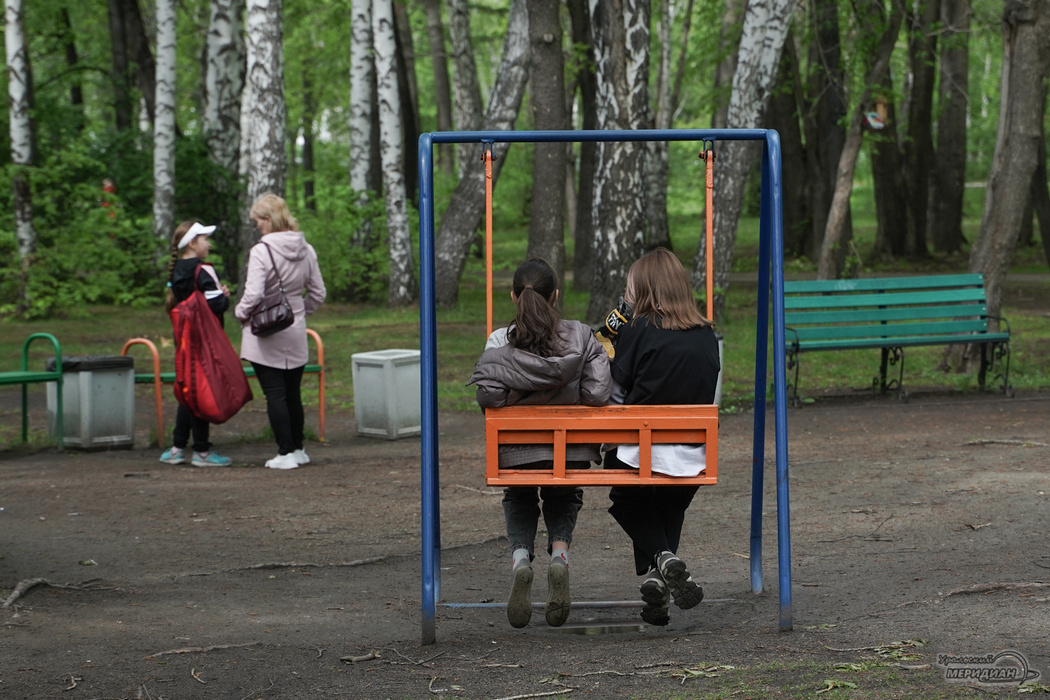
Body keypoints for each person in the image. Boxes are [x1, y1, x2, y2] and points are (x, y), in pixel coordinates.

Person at [467, 259, 611, 629]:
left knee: (519, 495)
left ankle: (520, 561)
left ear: (514, 295)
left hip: (517, 450)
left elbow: (491, 398)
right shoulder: (581, 336)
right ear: (556, 296)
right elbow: (597, 395)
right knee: (564, 493)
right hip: (572, 448)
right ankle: (559, 558)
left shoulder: (500, 341)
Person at [605, 248, 720, 627]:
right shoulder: (707, 334)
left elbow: (615, 387)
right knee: (669, 504)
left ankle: (663, 559)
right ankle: (660, 574)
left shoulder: (637, 330)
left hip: (641, 451)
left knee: (625, 497)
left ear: (645, 289)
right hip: (694, 454)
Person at [235, 194, 326, 470]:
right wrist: (300, 311)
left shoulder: (261, 251)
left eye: (259, 221)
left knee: (274, 393)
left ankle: (284, 452)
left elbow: (254, 293)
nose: (257, 226)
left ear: (269, 219)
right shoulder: (306, 248)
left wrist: (240, 313)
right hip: (295, 327)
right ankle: (298, 449)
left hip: (266, 329)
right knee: (292, 393)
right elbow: (318, 292)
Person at [159, 221, 234, 467]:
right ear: (192, 243)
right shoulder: (204, 270)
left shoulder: (176, 270)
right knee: (201, 392)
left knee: (188, 391)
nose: (209, 244)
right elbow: (216, 306)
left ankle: (177, 448)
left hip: (184, 340)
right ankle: (201, 451)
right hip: (205, 343)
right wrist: (224, 297)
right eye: (205, 239)